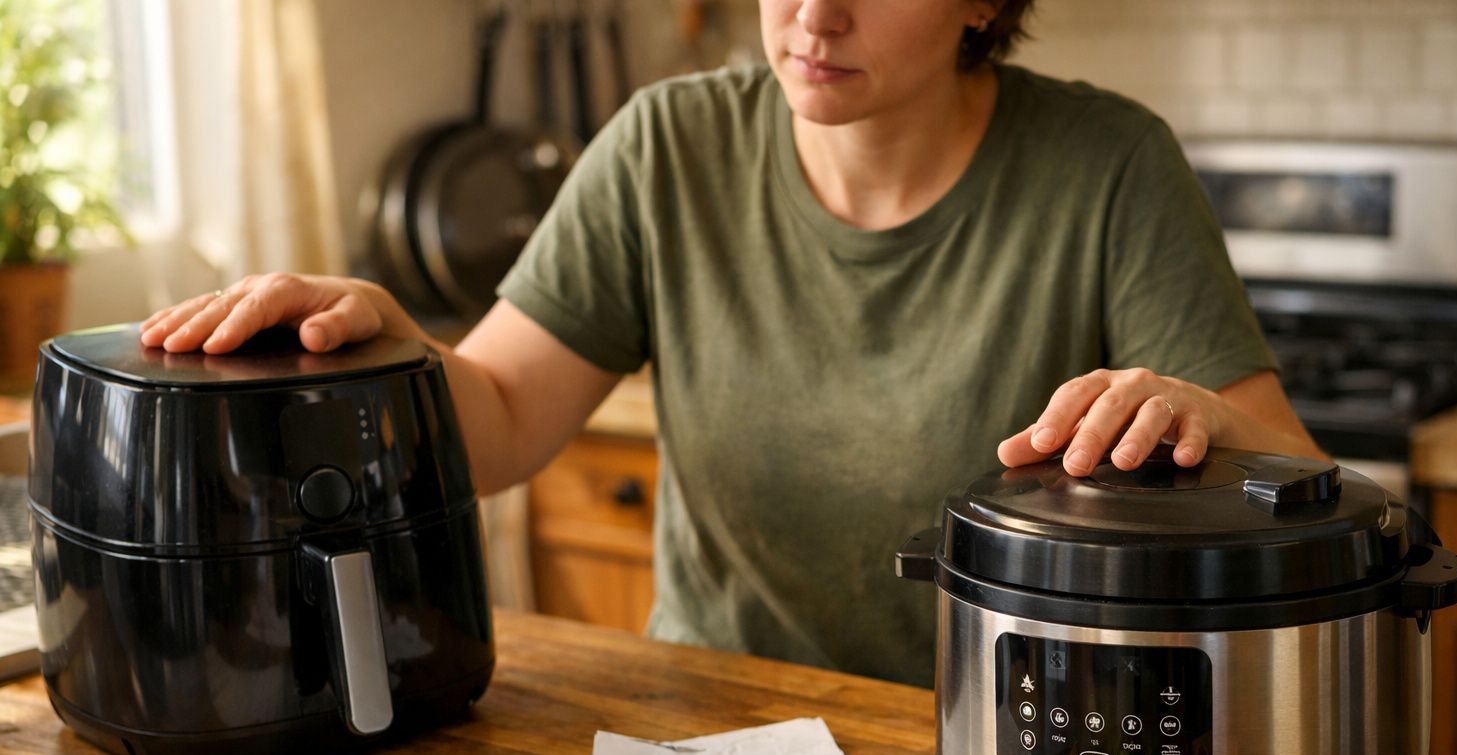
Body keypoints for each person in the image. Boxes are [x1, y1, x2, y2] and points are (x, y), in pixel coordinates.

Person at [140, 0, 1324, 687]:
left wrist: (1210, 422)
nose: (813, 16)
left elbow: (1296, 479)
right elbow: (498, 420)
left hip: (1009, 749)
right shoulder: (669, 146)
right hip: (717, 743)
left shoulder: (1111, 166)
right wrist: (393, 351)